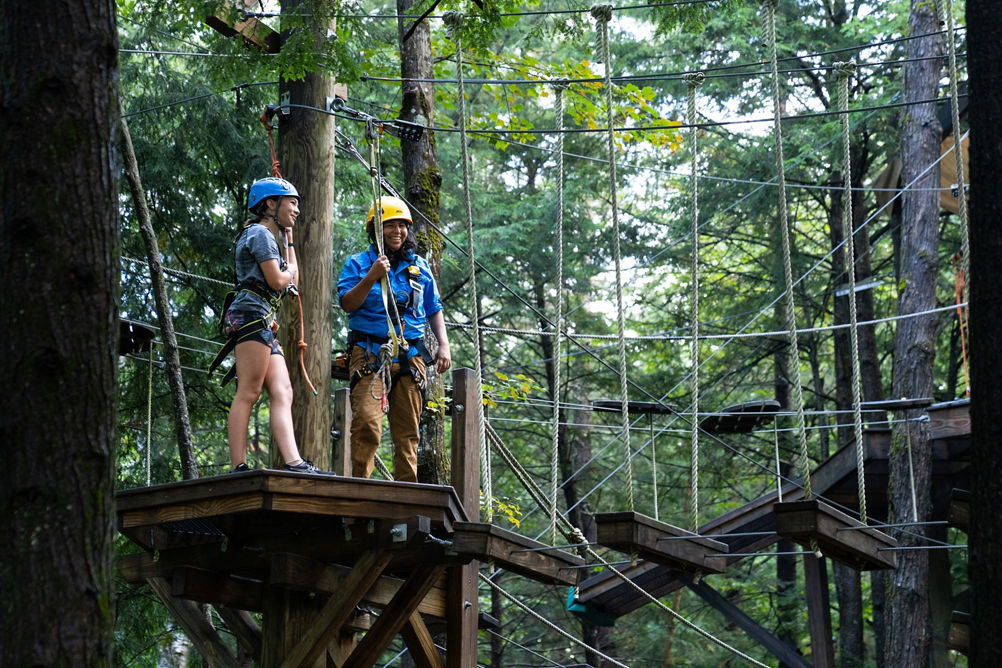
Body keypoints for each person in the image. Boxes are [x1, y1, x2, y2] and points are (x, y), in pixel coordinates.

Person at [338, 196, 451, 482]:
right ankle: (361, 489)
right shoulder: (358, 264)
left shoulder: (420, 268)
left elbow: (433, 308)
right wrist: (373, 276)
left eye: (402, 226)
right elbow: (348, 303)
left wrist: (443, 345)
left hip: (410, 354)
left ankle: (406, 495)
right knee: (366, 425)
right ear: (375, 229)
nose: (398, 231)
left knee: (408, 432)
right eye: (390, 225)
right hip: (369, 352)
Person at [221, 177, 326, 474]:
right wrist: (288, 270)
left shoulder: (273, 237)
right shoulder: (259, 234)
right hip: (252, 315)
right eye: (292, 203)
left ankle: (294, 462)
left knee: (283, 390)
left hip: (263, 319)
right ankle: (238, 464)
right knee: (250, 391)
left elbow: (294, 282)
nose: (296, 210)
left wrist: (290, 242)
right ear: (271, 204)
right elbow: (279, 280)